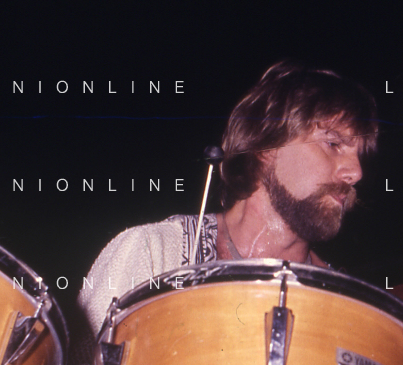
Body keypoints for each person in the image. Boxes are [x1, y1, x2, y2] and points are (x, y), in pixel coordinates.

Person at [78, 61, 378, 334]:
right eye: (333, 144)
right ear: (266, 146)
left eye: (359, 155)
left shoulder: (350, 306)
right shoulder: (152, 253)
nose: (356, 172)